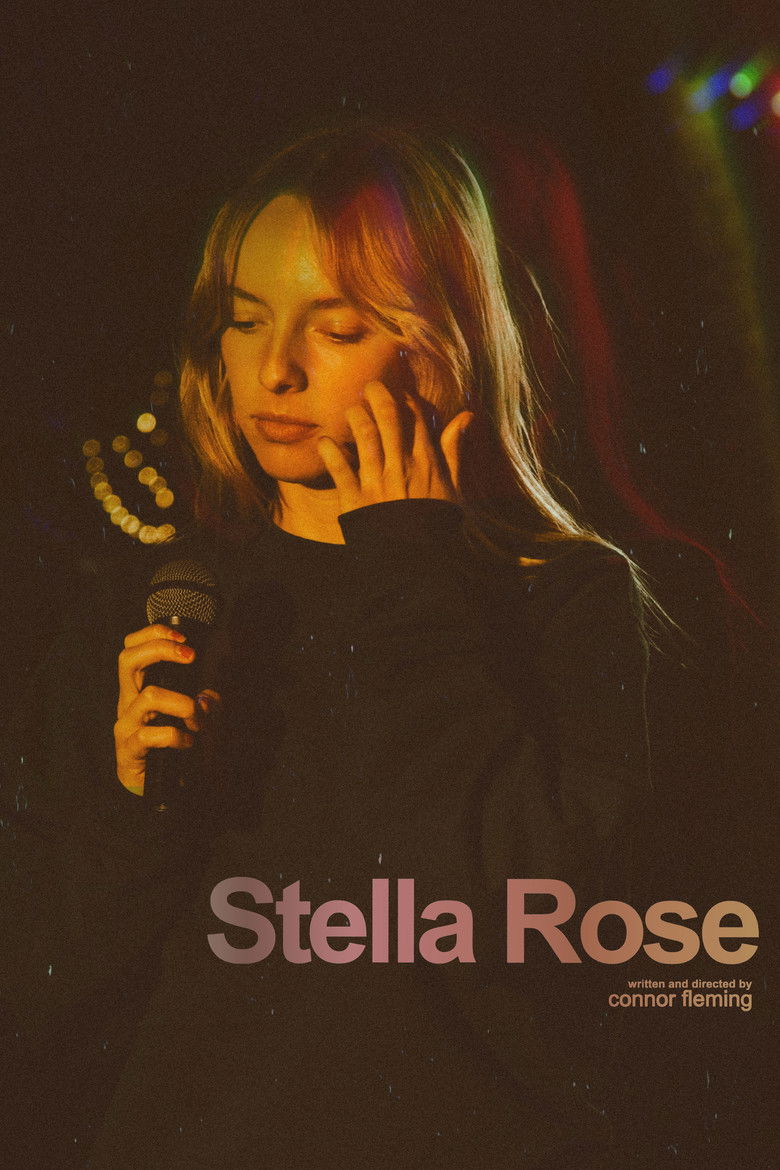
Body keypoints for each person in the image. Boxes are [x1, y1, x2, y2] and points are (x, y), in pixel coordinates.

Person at [2, 121, 652, 1168]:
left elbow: (529, 924)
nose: (276, 371)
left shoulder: (566, 598)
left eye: (338, 329)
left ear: (446, 344)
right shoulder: (156, 606)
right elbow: (41, 996)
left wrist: (406, 574)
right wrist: (131, 815)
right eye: (244, 321)